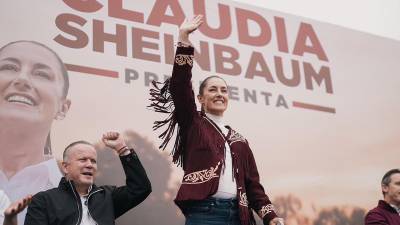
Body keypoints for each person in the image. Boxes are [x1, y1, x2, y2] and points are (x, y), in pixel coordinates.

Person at [149, 15, 283, 225]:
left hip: (241, 216)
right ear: (201, 98)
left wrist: (270, 216)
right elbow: (180, 86)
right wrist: (184, 39)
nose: (220, 94)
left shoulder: (240, 141)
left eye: (224, 90)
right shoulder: (194, 124)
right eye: (213, 89)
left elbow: (253, 186)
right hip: (205, 213)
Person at [0, 40, 71, 223]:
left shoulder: (75, 194)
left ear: (63, 108)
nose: (22, 79)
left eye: (41, 74)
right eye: (9, 67)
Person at [24, 131, 152, 225]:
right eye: (83, 160)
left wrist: (122, 149)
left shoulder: (107, 197)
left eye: (93, 161)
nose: (89, 165)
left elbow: (140, 188)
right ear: (65, 167)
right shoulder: (43, 201)